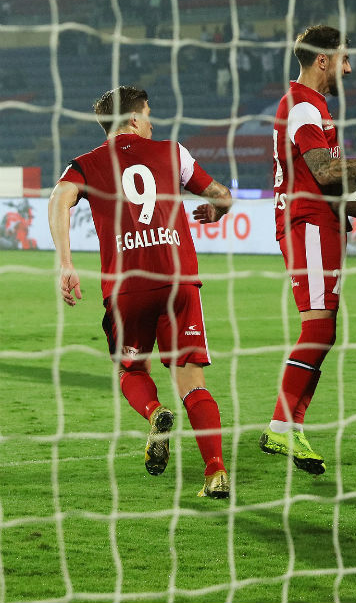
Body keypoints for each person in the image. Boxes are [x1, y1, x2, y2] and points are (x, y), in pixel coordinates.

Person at [48, 86, 233, 499]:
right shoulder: (172, 151)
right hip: (179, 282)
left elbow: (59, 199)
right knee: (193, 380)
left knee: (131, 369)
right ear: (133, 119)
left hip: (127, 287)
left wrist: (66, 263)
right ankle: (215, 471)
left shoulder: (86, 163)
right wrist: (219, 208)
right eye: (148, 114)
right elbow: (221, 195)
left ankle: (154, 413)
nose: (151, 122)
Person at [261, 25, 356, 474]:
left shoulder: (314, 108)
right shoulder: (303, 106)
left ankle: (289, 428)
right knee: (319, 329)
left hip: (317, 223)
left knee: (325, 330)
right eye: (343, 59)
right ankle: (280, 429)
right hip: (307, 225)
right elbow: (326, 173)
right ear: (322, 60)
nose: (348, 67)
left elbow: (336, 180)